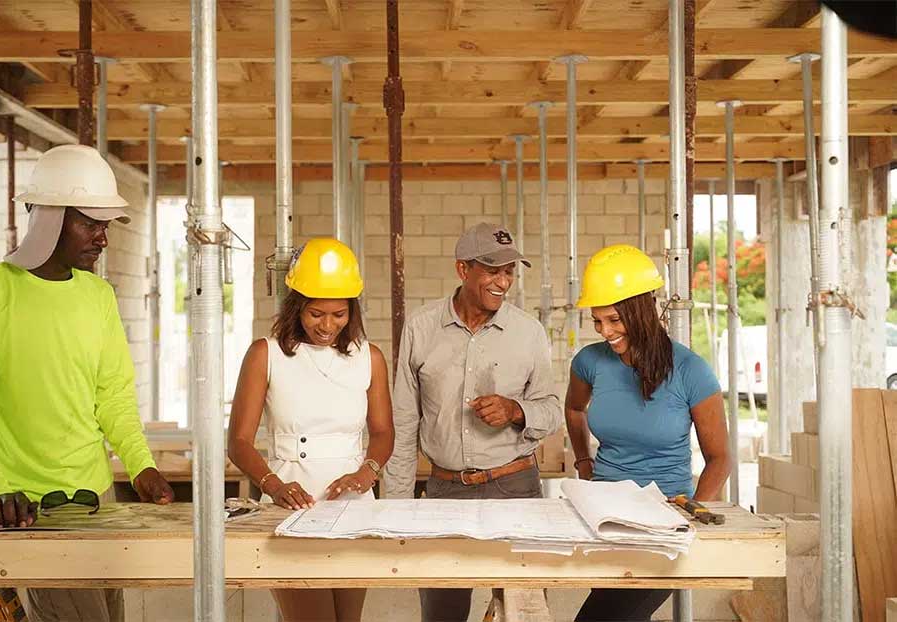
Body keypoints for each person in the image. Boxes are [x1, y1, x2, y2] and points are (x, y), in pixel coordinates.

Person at [0, 144, 174, 622]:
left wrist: (140, 464)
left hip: (96, 501)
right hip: (24, 507)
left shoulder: (98, 296)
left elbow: (113, 394)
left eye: (105, 225)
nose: (103, 238)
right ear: (49, 219)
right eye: (90, 223)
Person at [384, 222, 563, 622]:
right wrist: (395, 507)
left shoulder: (528, 332)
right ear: (463, 270)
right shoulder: (421, 328)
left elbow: (551, 409)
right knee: (442, 612)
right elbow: (404, 421)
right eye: (492, 269)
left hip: (515, 487)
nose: (503, 281)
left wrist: (517, 411)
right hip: (445, 489)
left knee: (525, 612)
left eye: (509, 271)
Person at [228, 238, 394, 622]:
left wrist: (366, 472)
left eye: (339, 315)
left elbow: (383, 433)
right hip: (290, 507)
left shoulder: (369, 358)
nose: (327, 326)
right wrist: (273, 485)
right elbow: (238, 442)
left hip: (352, 510)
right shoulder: (265, 354)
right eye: (316, 313)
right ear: (296, 305)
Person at [564, 244, 730, 622]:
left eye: (615, 321)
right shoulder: (590, 362)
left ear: (640, 311)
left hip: (663, 525)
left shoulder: (690, 370)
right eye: (598, 322)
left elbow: (720, 458)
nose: (605, 332)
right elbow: (573, 409)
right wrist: (584, 463)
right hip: (604, 519)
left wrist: (693, 515)